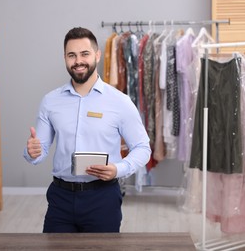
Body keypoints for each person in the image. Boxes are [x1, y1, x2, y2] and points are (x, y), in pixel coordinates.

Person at [23, 27, 151, 233]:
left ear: (97, 55)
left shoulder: (120, 102)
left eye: (85, 54)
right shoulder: (50, 101)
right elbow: (40, 151)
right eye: (71, 55)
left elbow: (143, 148)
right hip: (60, 198)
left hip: (102, 198)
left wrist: (118, 169)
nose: (78, 61)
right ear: (65, 58)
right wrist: (32, 152)